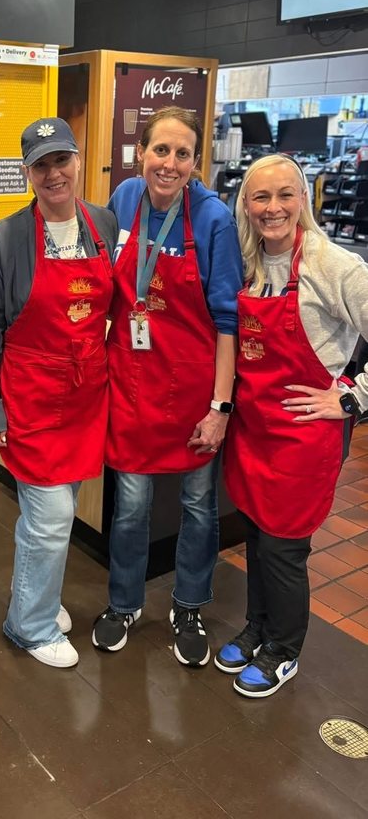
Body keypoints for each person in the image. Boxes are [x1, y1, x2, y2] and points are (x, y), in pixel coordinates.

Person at [92, 106, 243, 668]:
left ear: (196, 162)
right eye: (161, 150)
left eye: (183, 154)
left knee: (199, 507)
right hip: (130, 385)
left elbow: (227, 321)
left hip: (191, 391)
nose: (170, 163)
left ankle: (189, 605)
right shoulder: (124, 200)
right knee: (130, 507)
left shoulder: (213, 219)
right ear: (140, 154)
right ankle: (124, 602)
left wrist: (219, 408)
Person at [218, 153, 368, 697]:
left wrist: (351, 398)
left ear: (304, 199)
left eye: (285, 194)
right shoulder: (251, 260)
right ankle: (258, 627)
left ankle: (284, 650)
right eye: (261, 197)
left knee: (284, 549)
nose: (273, 207)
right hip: (256, 429)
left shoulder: (334, 266)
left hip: (304, 436)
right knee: (257, 536)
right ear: (247, 205)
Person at [0, 117, 117, 668]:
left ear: (78, 160)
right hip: (30, 393)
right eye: (41, 165)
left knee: (49, 514)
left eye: (62, 160)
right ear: (27, 173)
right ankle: (29, 625)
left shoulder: (101, 221)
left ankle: (37, 599)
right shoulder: (8, 237)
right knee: (52, 515)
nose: (54, 173)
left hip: (84, 393)